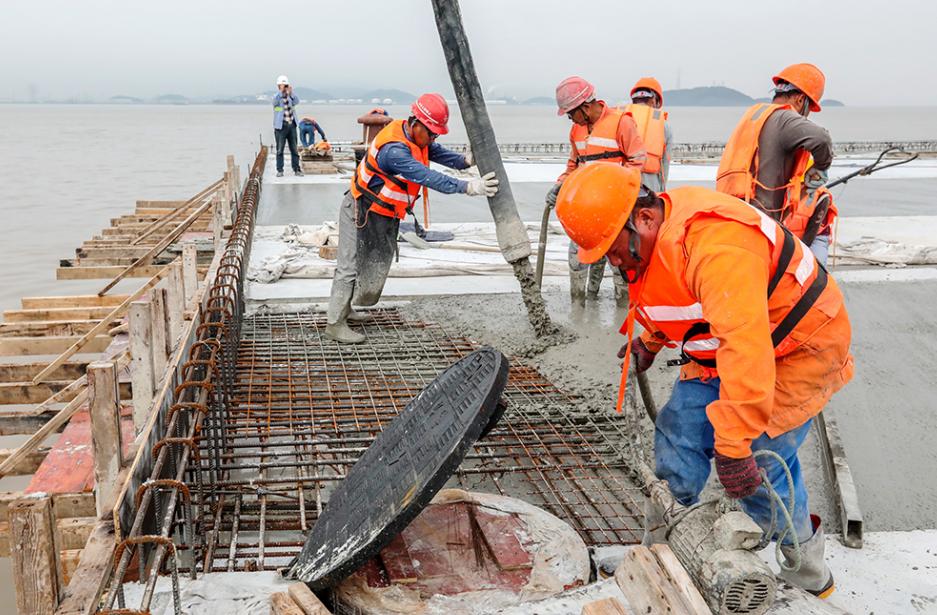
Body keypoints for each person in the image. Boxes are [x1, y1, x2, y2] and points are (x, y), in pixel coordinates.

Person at [554, 162, 854, 598]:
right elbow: (674, 291)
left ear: (644, 218)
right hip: (725, 345)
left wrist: (732, 449)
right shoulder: (652, 239)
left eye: (615, 251)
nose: (613, 262)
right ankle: (659, 552)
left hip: (798, 348)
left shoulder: (716, 245)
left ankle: (804, 564)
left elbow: (746, 351)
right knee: (678, 433)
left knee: (760, 457)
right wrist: (652, 340)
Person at [325, 93, 499, 343]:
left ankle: (346, 310)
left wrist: (465, 161)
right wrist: (469, 187)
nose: (433, 139)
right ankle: (334, 323)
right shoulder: (394, 151)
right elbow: (427, 176)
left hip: (379, 212)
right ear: (416, 123)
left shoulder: (418, 137)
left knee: (366, 262)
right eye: (431, 133)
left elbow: (438, 153)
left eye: (435, 134)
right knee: (349, 266)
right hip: (359, 209)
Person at [717, 63, 835, 263]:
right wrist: (820, 167)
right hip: (759, 222)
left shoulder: (756, 115)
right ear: (800, 99)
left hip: (730, 213)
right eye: (809, 110)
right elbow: (822, 139)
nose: (806, 117)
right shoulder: (784, 118)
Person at [547, 76, 646, 307]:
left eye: (571, 113)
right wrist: (560, 185)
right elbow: (574, 166)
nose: (570, 118)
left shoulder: (622, 123)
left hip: (616, 211)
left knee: (620, 261)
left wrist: (617, 190)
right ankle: (579, 306)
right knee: (577, 259)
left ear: (585, 106)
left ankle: (624, 310)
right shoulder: (576, 131)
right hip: (585, 209)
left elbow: (637, 160)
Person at [624, 77, 672, 192]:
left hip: (623, 182)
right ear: (655, 100)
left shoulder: (621, 118)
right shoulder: (664, 126)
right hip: (651, 187)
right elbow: (664, 165)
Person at [272, 75, 303, 178]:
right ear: (278, 86)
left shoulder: (290, 96)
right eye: (283, 85)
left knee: (294, 149)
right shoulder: (276, 96)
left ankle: (296, 169)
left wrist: (291, 93)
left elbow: (297, 102)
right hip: (280, 127)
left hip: (292, 125)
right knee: (280, 150)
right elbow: (274, 104)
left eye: (286, 85)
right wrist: (281, 92)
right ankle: (280, 170)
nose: (285, 87)